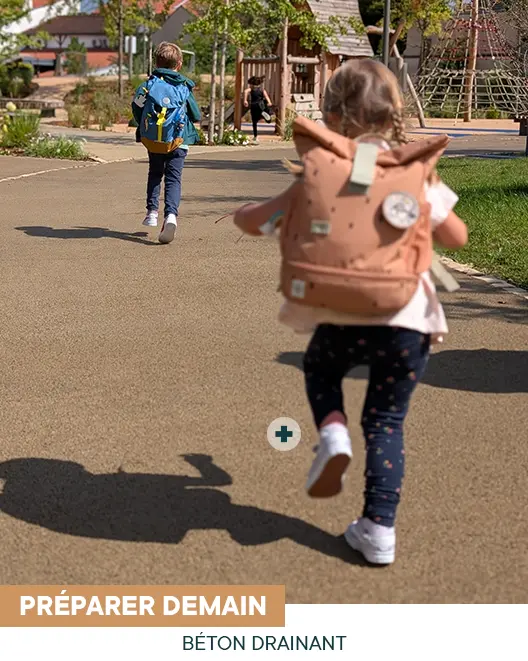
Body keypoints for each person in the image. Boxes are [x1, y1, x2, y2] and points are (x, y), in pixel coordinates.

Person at [232, 60, 468, 565]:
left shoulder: (320, 171)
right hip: (405, 321)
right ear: (394, 112)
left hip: (338, 316)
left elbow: (257, 222)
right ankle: (379, 530)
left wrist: (243, 213)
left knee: (321, 370)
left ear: (332, 115)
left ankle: (333, 432)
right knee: (386, 422)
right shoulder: (415, 172)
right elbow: (457, 237)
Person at [132, 42, 201, 244]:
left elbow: (136, 107)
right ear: (179, 64)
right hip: (179, 140)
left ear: (156, 63)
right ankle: (171, 216)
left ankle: (152, 212)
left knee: (155, 173)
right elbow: (196, 115)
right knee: (173, 179)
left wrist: (145, 125)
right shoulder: (184, 86)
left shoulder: (147, 85)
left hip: (154, 140)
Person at [243, 76, 272, 145]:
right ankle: (265, 116)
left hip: (253, 106)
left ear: (252, 84)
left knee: (254, 122)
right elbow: (266, 96)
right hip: (261, 106)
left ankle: (255, 136)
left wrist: (245, 100)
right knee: (266, 114)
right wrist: (269, 102)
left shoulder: (251, 89)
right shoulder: (262, 90)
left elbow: (245, 91)